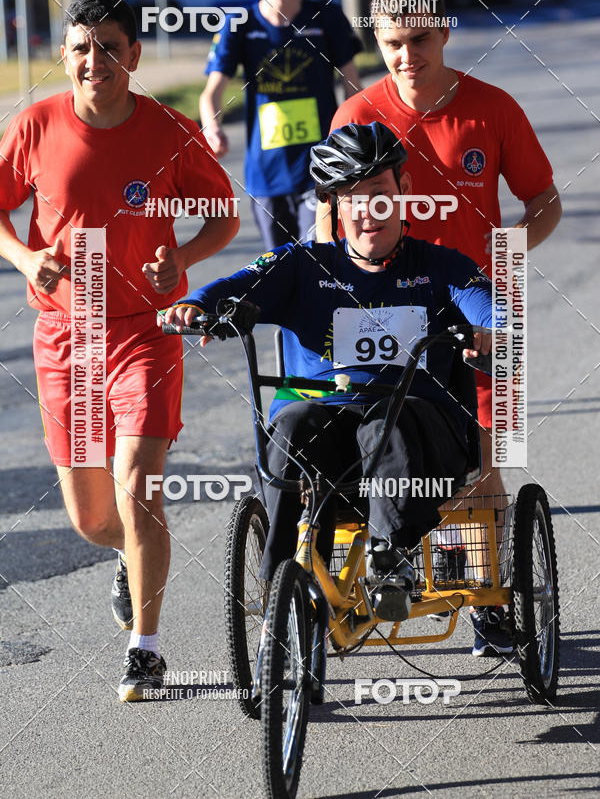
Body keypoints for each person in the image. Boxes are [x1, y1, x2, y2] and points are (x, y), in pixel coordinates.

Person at [164, 122, 512, 654]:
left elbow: (490, 306)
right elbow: (232, 288)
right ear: (333, 205)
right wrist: (199, 308)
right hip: (326, 425)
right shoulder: (302, 266)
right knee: (290, 420)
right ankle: (278, 582)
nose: (367, 211)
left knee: (384, 421)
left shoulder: (441, 266)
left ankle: (391, 561)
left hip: (417, 432)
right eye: (352, 199)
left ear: (403, 191)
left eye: (379, 195)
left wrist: (492, 330)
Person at [0, 0, 239, 701]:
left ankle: (147, 648)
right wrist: (22, 257)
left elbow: (223, 214)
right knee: (94, 519)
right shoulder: (36, 125)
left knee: (138, 488)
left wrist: (184, 261)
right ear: (64, 57)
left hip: (144, 331)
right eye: (80, 47)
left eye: (108, 46)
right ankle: (126, 558)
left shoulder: (168, 130)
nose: (93, 60)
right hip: (66, 337)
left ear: (133, 56)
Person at [316, 0, 562, 507]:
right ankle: (412, 587)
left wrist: (509, 249)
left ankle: (489, 590)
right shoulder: (356, 116)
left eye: (420, 39)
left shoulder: (493, 109)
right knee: (392, 477)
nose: (407, 56)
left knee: (480, 477)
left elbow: (545, 201)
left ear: (444, 31)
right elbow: (327, 217)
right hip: (385, 315)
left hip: (475, 313)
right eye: (392, 44)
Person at [200, 0, 363, 249]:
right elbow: (211, 93)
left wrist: (352, 146)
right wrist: (211, 127)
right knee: (280, 271)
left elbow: (353, 89)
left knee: (319, 258)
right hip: (266, 175)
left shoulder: (327, 18)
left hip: (322, 169)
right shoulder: (240, 24)